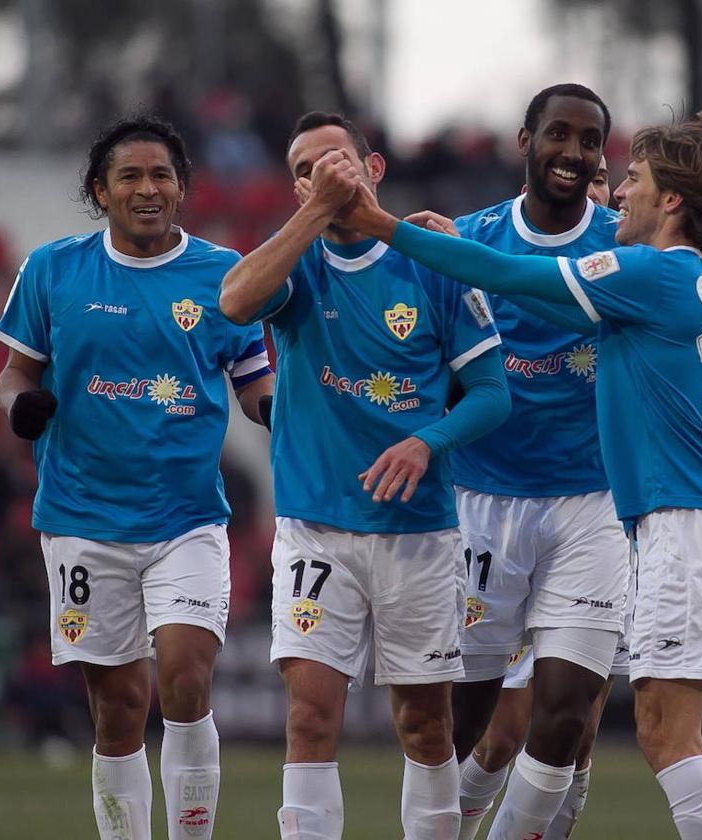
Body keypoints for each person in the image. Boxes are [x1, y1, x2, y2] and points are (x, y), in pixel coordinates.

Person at [338, 111, 702, 839]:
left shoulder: (649, 271)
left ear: (674, 199)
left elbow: (511, 273)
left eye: (635, 179)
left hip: (681, 526)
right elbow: (538, 295)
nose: (618, 193)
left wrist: (389, 227)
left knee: (662, 727)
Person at [218, 111, 511, 840]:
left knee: (424, 722)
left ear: (373, 167)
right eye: (308, 170)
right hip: (317, 528)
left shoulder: (432, 263)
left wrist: (426, 442)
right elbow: (232, 301)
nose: (328, 175)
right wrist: (316, 213)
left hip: (418, 530)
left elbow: (494, 394)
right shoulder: (299, 266)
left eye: (339, 161)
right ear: (298, 188)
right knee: (311, 716)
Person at [0, 115, 274, 840]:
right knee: (117, 707)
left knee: (184, 678)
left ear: (182, 190)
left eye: (161, 176)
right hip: (83, 519)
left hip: (186, 518)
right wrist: (21, 405)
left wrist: (281, 412)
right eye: (130, 176)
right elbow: (15, 372)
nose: (148, 189)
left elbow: (253, 382)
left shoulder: (222, 273)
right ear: (101, 190)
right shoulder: (54, 268)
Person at [413, 85, 629, 840]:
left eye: (590, 141)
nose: (574, 153)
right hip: (481, 502)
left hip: (593, 506)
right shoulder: (468, 242)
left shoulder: (626, 246)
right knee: (464, 722)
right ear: (525, 140)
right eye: (559, 135)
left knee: (566, 716)